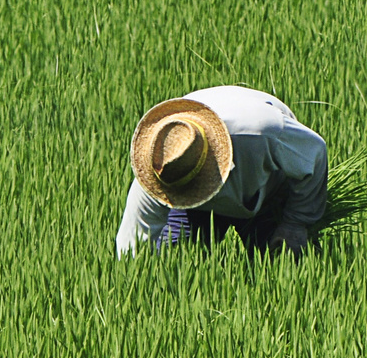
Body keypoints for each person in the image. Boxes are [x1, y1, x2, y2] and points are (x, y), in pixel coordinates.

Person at [115, 85, 327, 257]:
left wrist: (296, 222)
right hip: (196, 211)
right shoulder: (162, 168)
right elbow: (132, 247)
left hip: (265, 191)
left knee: (286, 264)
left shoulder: (260, 133)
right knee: (175, 259)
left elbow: (314, 153)